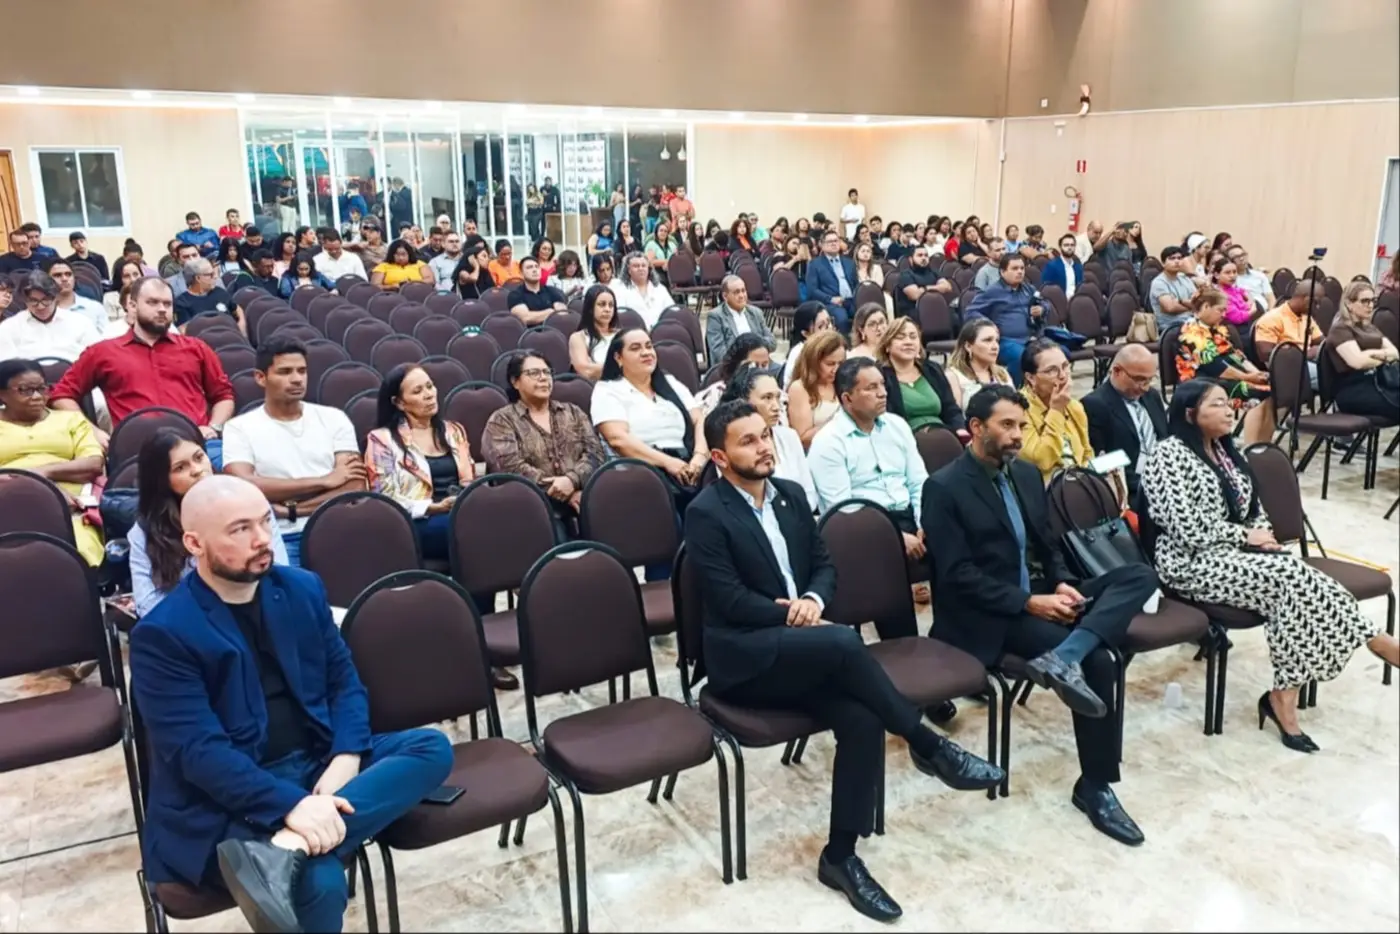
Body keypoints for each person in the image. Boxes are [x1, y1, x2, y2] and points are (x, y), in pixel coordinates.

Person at [684, 400, 1003, 923]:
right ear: (719, 457)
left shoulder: (790, 496)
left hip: (803, 647)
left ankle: (840, 856)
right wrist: (796, 615)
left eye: (765, 435)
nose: (764, 447)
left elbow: (824, 567)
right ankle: (927, 745)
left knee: (862, 719)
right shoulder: (706, 513)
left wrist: (813, 600)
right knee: (843, 643)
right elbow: (728, 600)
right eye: (748, 441)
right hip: (745, 659)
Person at [128, 473, 453, 934]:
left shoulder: (301, 588)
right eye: (240, 529)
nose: (263, 538)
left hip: (317, 761)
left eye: (265, 521)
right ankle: (292, 849)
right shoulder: (163, 634)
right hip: (232, 791)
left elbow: (344, 683)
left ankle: (284, 850)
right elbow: (198, 754)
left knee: (430, 748)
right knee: (319, 882)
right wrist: (290, 804)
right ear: (195, 543)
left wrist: (345, 757)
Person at [925, 383, 1157, 844]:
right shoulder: (944, 487)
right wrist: (1029, 602)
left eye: (1021, 425)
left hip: (1042, 595)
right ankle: (1095, 786)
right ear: (976, 428)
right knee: (1100, 660)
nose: (1017, 434)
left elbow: (1047, 547)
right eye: (1007, 425)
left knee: (1139, 576)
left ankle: (1066, 654)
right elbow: (956, 576)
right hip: (992, 613)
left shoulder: (1027, 474)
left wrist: (1061, 583)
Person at [1139, 379, 1399, 752]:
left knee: (1294, 586)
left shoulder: (1225, 450)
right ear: (1190, 414)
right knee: (1293, 576)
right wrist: (1246, 537)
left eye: (1228, 403)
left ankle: (1284, 697)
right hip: (1190, 562)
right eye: (1217, 404)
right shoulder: (1168, 455)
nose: (1229, 410)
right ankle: (1378, 642)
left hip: (1236, 555)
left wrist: (1263, 537)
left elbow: (1253, 509)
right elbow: (1186, 528)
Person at [221, 338, 366, 565]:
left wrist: (292, 509)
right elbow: (246, 486)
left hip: (337, 527)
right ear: (260, 377)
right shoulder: (238, 428)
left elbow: (354, 485)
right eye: (285, 372)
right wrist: (325, 481)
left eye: (302, 371)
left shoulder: (334, 418)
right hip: (279, 538)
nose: (297, 379)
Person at [50, 277, 235, 454]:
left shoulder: (196, 348)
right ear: (132, 305)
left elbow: (223, 395)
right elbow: (61, 395)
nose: (162, 309)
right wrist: (92, 431)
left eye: (167, 304)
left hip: (196, 445)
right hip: (136, 452)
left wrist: (213, 427)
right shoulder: (102, 352)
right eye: (153, 302)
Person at [129, 430, 291, 617]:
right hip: (186, 625)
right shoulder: (146, 530)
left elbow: (279, 573)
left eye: (199, 458)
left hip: (258, 612)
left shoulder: (249, 503)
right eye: (180, 468)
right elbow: (148, 604)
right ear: (162, 481)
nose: (197, 470)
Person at [807, 358, 928, 606]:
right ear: (847, 398)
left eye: (882, 384)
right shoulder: (829, 441)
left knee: (957, 541)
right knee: (891, 581)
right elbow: (844, 509)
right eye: (871, 388)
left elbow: (918, 481)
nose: (883, 393)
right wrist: (895, 536)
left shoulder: (897, 426)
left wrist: (924, 521)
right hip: (865, 528)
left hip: (909, 515)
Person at [482, 349, 605, 532]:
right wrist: (561, 490)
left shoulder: (573, 412)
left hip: (584, 496)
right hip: (533, 507)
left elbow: (595, 453)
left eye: (547, 372)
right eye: (534, 373)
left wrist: (571, 481)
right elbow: (509, 467)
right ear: (515, 381)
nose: (543, 378)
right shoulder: (502, 420)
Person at [363, 363, 474, 559]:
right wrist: (433, 507)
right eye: (418, 391)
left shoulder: (453, 431)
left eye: (430, 386)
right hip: (417, 521)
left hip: (459, 512)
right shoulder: (382, 440)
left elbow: (469, 481)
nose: (429, 394)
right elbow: (384, 499)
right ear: (399, 403)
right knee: (470, 528)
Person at [0, 359, 105, 565]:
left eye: (42, 388)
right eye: (25, 390)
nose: (37, 397)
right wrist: (41, 487)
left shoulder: (70, 420)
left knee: (79, 551)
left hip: (71, 505)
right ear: (2, 394)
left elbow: (93, 464)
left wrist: (44, 473)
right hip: (7, 501)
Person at [591, 327, 708, 489]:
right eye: (635, 348)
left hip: (686, 464)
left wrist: (700, 456)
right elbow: (618, 439)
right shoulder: (607, 390)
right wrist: (667, 462)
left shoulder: (670, 382)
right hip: (641, 475)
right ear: (618, 358)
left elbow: (699, 419)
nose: (646, 352)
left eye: (649, 346)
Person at [1175, 289, 1274, 445]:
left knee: (1272, 388)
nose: (1224, 315)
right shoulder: (1191, 333)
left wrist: (1258, 373)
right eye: (1220, 310)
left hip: (1222, 377)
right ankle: (1251, 446)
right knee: (1258, 392)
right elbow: (1216, 368)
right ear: (1206, 306)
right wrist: (1249, 377)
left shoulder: (1215, 329)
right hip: (1201, 381)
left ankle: (1263, 443)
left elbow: (1236, 357)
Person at [718, 365, 817, 505]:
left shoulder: (789, 436)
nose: (776, 407)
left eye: (777, 397)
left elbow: (809, 493)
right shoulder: (731, 443)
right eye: (767, 398)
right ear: (744, 401)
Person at [1080, 344, 1166, 500]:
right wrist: (1151, 484)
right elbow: (1101, 462)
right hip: (1131, 489)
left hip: (1165, 478)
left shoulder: (1152, 396)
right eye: (1139, 380)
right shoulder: (1094, 405)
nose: (1145, 387)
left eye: (1150, 380)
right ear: (1117, 371)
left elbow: (1165, 438)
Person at [1016, 337, 1096, 484]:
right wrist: (1056, 410)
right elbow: (1042, 460)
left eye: (1065, 366)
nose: (1063, 376)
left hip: (1079, 484)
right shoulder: (1018, 410)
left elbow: (1086, 454)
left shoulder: (1074, 407)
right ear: (1031, 378)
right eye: (1052, 370)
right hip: (1044, 488)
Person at [964, 254, 1045, 385]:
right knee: (1021, 356)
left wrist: (1042, 309)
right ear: (1002, 272)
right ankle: (1015, 390)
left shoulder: (1028, 289)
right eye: (1015, 268)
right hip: (1006, 341)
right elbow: (971, 312)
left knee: (1056, 352)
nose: (1020, 272)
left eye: (1022, 268)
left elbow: (1045, 303)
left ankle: (1043, 390)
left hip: (1031, 337)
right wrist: (989, 325)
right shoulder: (993, 292)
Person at [876, 316, 966, 432]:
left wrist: (960, 429)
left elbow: (951, 408)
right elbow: (884, 418)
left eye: (913, 337)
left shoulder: (932, 369)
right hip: (904, 436)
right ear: (887, 346)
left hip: (943, 433)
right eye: (900, 337)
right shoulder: (880, 376)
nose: (908, 342)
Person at [1326, 281, 1399, 419]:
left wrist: (1371, 355)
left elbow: (1395, 353)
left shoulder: (1370, 327)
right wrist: (1384, 357)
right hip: (1352, 390)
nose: (1370, 305)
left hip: (1378, 382)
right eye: (1365, 301)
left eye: (1373, 301)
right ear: (1349, 304)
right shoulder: (1340, 329)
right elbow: (1358, 362)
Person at [0, 270, 101, 363]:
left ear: (56, 297)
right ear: (25, 301)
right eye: (33, 301)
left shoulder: (81, 323)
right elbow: (5, 364)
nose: (40, 306)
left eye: (46, 300)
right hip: (28, 375)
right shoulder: (9, 327)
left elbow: (98, 356)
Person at [1254, 280, 1326, 386]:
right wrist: (1304, 354)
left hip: (1307, 362)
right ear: (1306, 299)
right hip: (1286, 367)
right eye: (1316, 303)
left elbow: (1321, 341)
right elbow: (1265, 354)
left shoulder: (1306, 317)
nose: (1318, 307)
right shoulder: (1272, 318)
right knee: (1327, 378)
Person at [787, 330, 847, 448]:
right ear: (814, 362)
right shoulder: (800, 388)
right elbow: (803, 438)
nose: (836, 369)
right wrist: (840, 418)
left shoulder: (843, 382)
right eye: (830, 364)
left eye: (841, 363)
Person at [705, 274, 775, 364]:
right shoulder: (716, 317)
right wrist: (745, 360)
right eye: (736, 292)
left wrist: (755, 346)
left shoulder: (756, 313)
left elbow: (772, 343)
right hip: (733, 366)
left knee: (784, 369)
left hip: (759, 363)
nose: (741, 295)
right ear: (725, 296)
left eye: (743, 291)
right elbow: (720, 353)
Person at [944, 319, 1015, 407]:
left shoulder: (1002, 374)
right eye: (987, 340)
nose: (995, 346)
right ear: (968, 346)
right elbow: (954, 413)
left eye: (997, 341)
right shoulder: (953, 376)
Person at [696, 333, 772, 413]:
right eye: (753, 365)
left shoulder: (776, 394)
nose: (760, 370)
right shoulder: (715, 395)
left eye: (764, 365)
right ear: (736, 365)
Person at [806, 230, 858, 332]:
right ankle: (842, 342)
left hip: (850, 300)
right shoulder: (815, 264)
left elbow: (856, 284)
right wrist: (831, 299)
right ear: (822, 245)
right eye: (830, 241)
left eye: (836, 241)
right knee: (842, 318)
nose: (834, 244)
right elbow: (812, 290)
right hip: (830, 302)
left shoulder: (849, 263)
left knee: (868, 313)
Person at [174, 259, 243, 334]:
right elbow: (184, 331)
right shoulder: (182, 303)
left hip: (232, 335)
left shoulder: (219, 291)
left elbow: (237, 310)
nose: (215, 277)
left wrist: (242, 331)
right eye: (211, 274)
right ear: (198, 278)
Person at [567, 284, 619, 380]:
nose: (607, 309)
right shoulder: (578, 337)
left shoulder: (622, 335)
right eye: (602, 304)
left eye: (611, 305)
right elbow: (586, 371)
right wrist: (622, 368)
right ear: (590, 308)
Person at [611, 251, 675, 329]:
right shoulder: (620, 290)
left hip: (660, 330)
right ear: (628, 270)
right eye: (636, 266)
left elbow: (672, 310)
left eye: (644, 265)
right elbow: (620, 315)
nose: (641, 268)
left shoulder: (660, 289)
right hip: (633, 332)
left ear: (648, 268)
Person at [894, 244, 952, 320]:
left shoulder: (933, 272)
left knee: (953, 316)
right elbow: (914, 295)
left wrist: (925, 289)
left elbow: (948, 287)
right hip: (914, 312)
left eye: (926, 255)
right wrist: (937, 288)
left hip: (934, 308)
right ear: (910, 259)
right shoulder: (906, 275)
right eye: (920, 255)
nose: (924, 258)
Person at [1148, 245, 1198, 333]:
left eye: (1179, 258)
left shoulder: (1184, 278)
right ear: (1163, 263)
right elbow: (1170, 307)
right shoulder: (1159, 282)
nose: (1177, 261)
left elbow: (1198, 300)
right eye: (1172, 258)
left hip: (1191, 321)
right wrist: (1192, 306)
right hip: (1171, 327)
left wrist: (1182, 303)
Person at [781, 302, 832, 387]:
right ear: (805, 333)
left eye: (829, 322)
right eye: (821, 326)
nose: (829, 328)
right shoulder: (799, 353)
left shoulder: (833, 347)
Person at [506, 256, 568, 327]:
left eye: (537, 267)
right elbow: (526, 318)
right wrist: (550, 312)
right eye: (529, 267)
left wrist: (538, 316)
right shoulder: (515, 294)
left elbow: (563, 313)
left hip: (554, 330)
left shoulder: (552, 290)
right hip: (530, 333)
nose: (534, 270)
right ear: (521, 273)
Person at [1224, 244, 1273, 313]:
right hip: (1244, 314)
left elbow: (1270, 298)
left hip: (1265, 313)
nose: (1242, 259)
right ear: (1230, 261)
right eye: (1237, 257)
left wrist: (1270, 313)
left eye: (1243, 254)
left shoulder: (1259, 276)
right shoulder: (1230, 280)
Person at [103, 258, 148, 325]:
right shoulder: (111, 298)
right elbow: (111, 325)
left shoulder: (149, 295)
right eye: (126, 276)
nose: (133, 279)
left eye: (136, 274)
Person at [1210, 257, 1253, 325]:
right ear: (1217, 275)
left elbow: (1244, 292)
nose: (1232, 275)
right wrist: (1253, 309)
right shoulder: (1219, 295)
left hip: (1247, 323)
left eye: (1234, 272)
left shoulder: (1232, 288)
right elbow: (1238, 318)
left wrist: (1250, 300)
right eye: (1227, 273)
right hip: (1236, 328)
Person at [1041, 233, 1083, 298]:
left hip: (1076, 301)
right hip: (1058, 301)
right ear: (1060, 247)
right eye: (1066, 245)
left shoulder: (1078, 267)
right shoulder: (1052, 266)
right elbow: (1045, 288)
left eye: (1072, 245)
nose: (1069, 248)